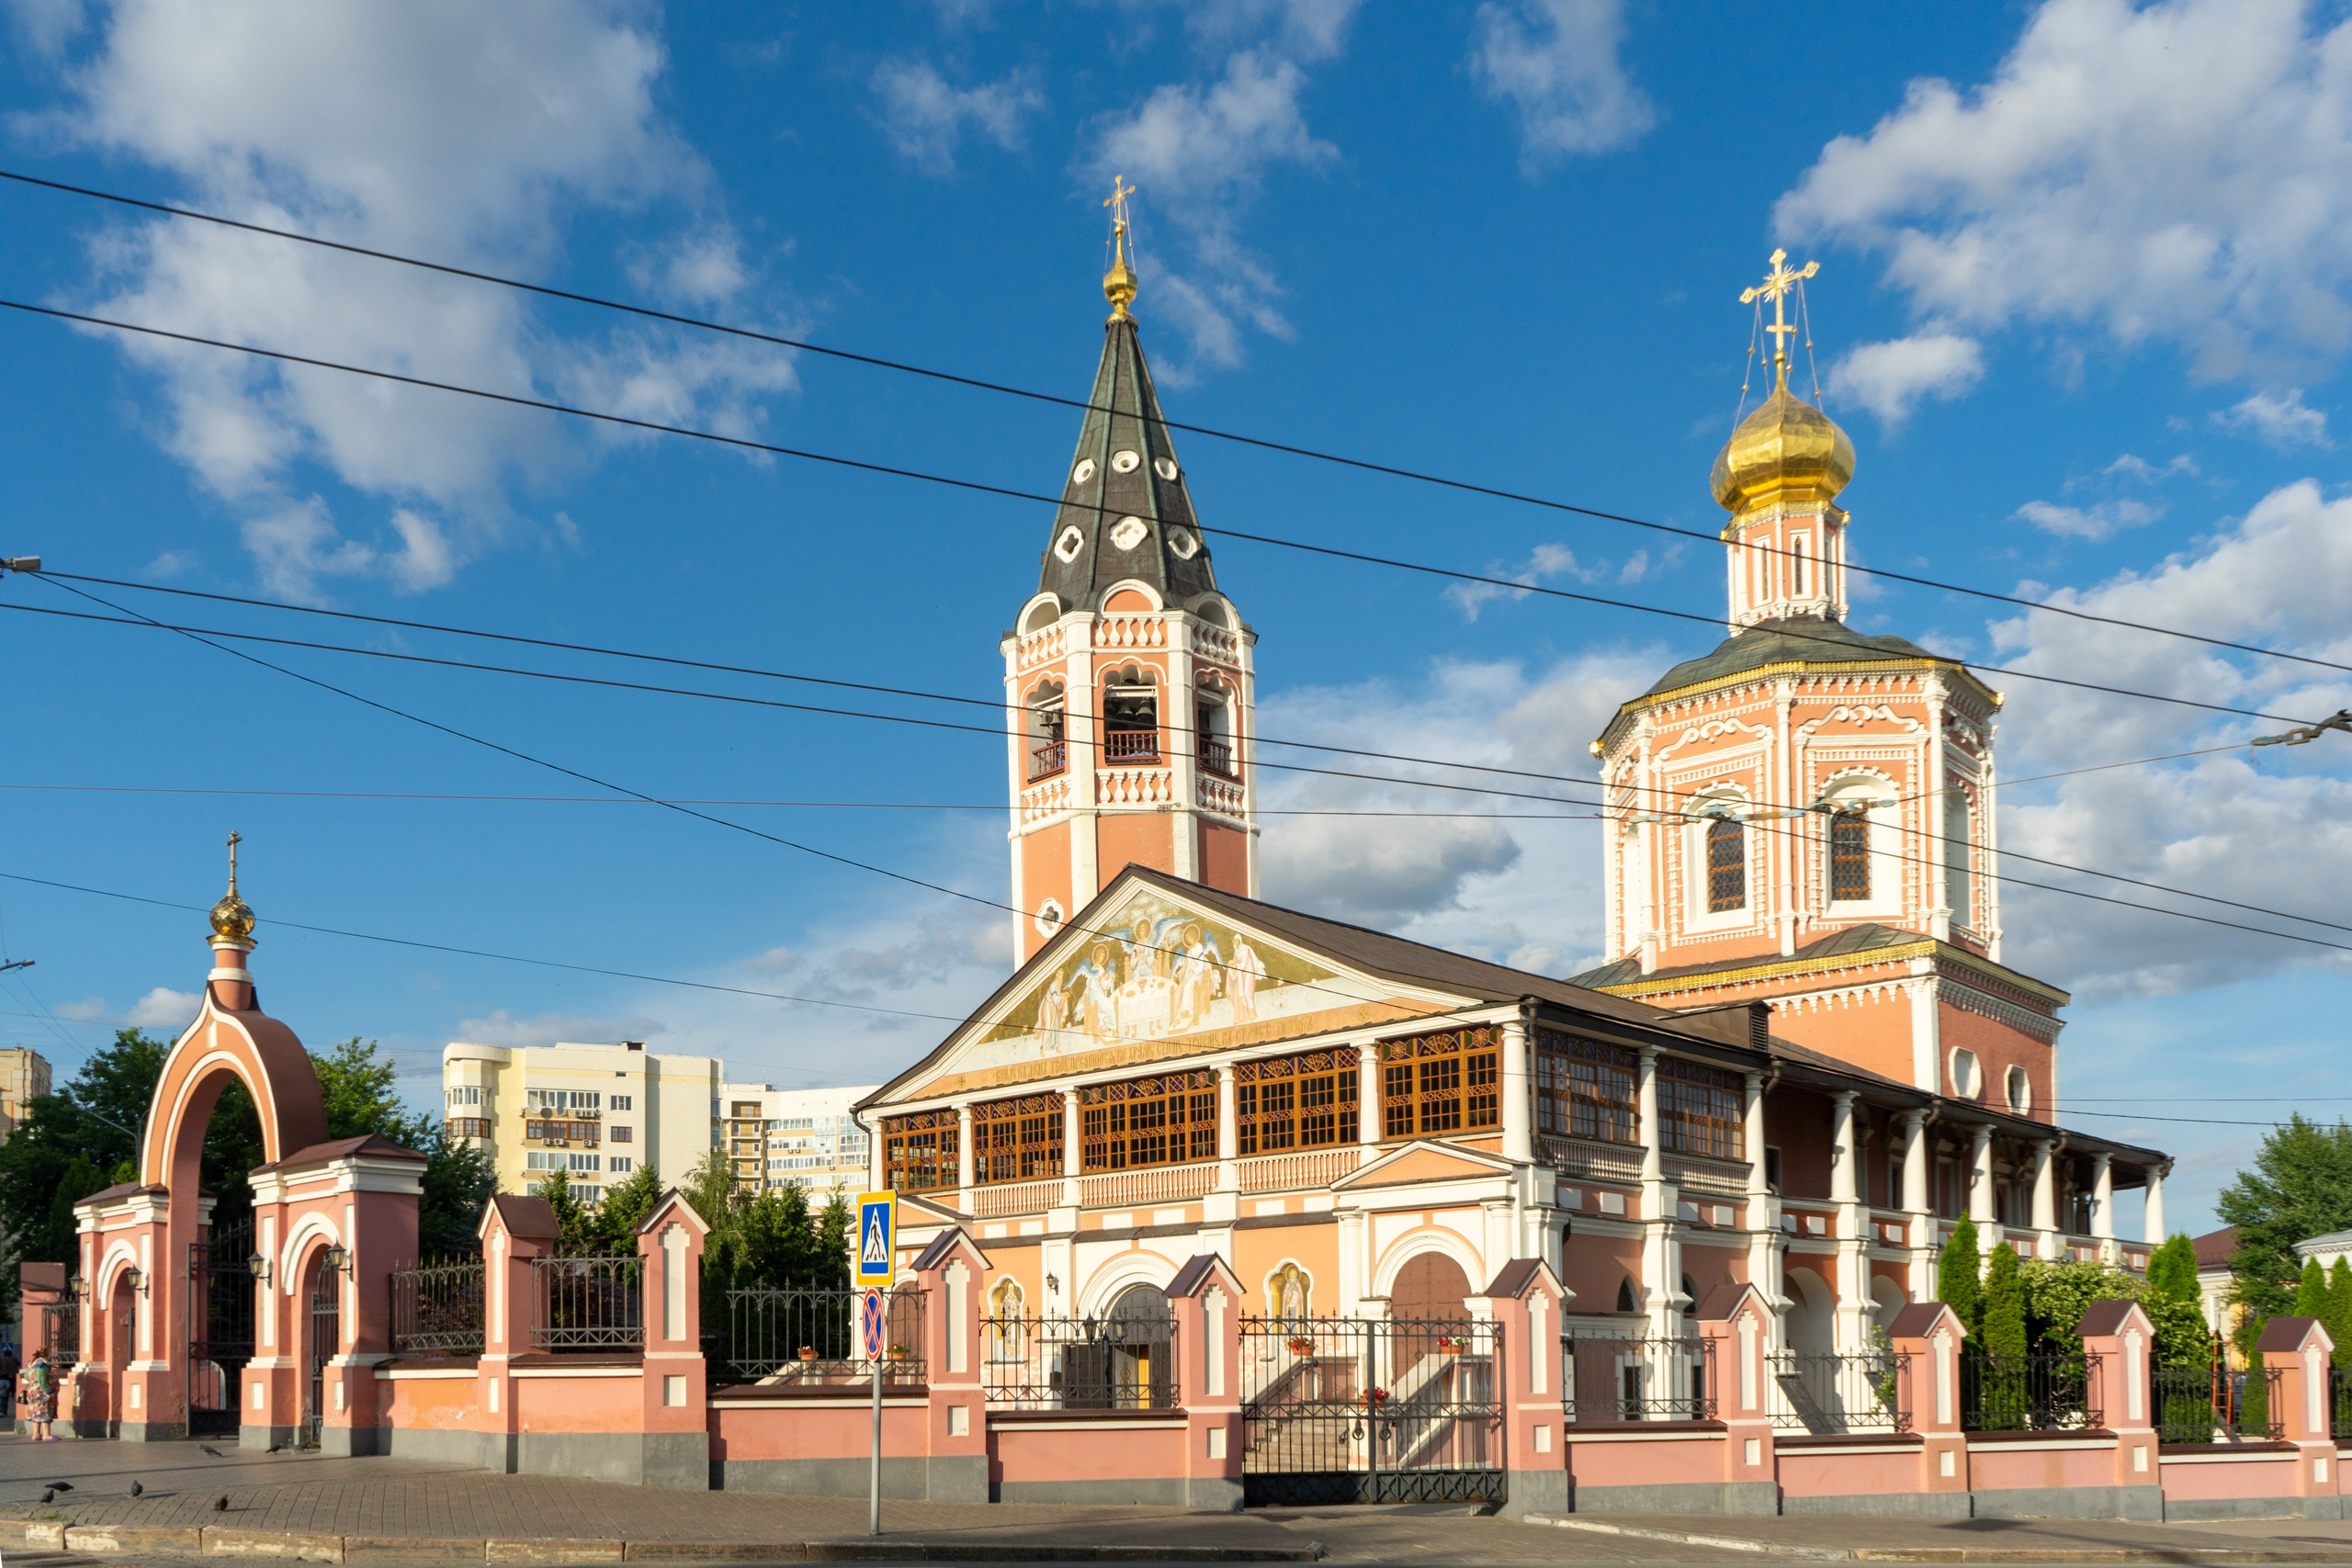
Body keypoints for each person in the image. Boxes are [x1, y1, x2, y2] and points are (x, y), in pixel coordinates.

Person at [24, 1347, 53, 1441]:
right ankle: (46, 1434)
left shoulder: (32, 1363)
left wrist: (33, 1383)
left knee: (34, 1411)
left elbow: (25, 1376)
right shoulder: (43, 1364)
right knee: (45, 1411)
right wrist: (47, 1391)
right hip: (40, 1392)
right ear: (47, 1353)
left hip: (31, 1391)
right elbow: (41, 1379)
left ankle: (36, 1434)